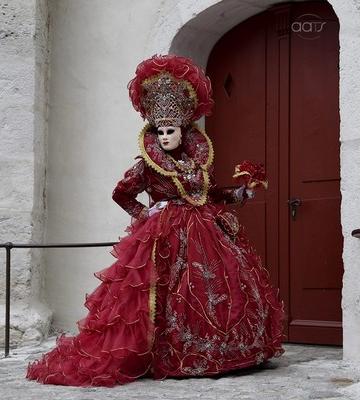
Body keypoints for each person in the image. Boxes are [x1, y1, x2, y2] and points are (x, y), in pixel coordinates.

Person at [25, 54, 285, 387]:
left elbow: (211, 194)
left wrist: (244, 191)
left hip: (207, 231)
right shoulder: (147, 166)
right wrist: (145, 213)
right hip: (164, 235)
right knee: (162, 292)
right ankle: (165, 353)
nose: (164, 136)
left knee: (218, 286)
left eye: (171, 130)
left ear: (183, 130)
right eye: (160, 130)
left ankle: (221, 351)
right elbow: (122, 194)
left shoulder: (198, 161)